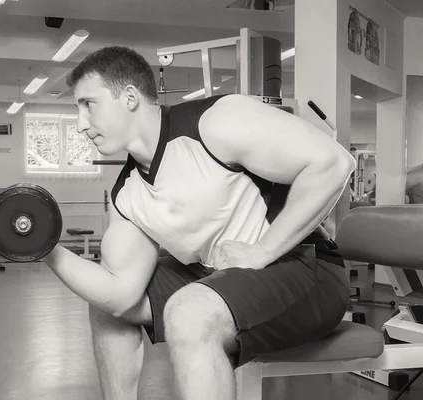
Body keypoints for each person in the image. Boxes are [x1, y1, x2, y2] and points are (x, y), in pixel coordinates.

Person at [44, 46, 355, 400]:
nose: (81, 124)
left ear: (129, 97)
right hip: (221, 276)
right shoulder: (127, 195)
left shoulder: (214, 122)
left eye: (89, 104)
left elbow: (333, 163)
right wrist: (45, 248)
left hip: (307, 268)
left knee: (188, 312)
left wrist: (262, 251)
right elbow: (119, 295)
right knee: (105, 309)